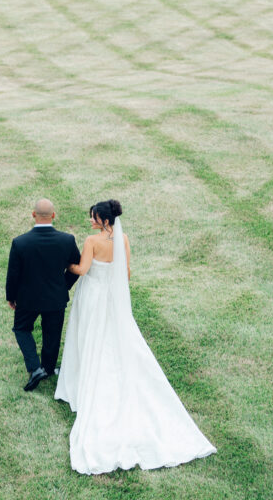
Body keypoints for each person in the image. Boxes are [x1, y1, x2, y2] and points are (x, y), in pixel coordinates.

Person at [55, 199, 216, 474]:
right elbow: (125, 272)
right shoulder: (123, 239)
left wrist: (66, 265)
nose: (90, 220)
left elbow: (82, 270)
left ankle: (81, 376)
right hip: (112, 296)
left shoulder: (92, 240)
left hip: (93, 295)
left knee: (89, 335)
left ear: (104, 220)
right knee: (111, 337)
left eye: (93, 217)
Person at [6, 198, 81, 391]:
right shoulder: (67, 240)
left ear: (33, 214)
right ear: (53, 216)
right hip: (56, 298)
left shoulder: (20, 242)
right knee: (52, 333)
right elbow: (76, 267)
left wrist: (11, 297)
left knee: (22, 329)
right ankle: (47, 368)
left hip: (27, 299)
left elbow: (13, 274)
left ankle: (34, 367)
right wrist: (64, 286)